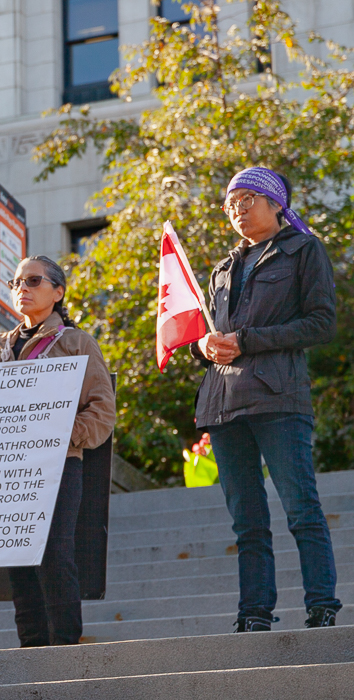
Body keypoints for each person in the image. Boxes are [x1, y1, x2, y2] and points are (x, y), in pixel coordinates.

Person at [193, 167, 340, 632]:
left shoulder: (304, 249)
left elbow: (322, 324)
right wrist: (204, 346)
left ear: (276, 203)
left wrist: (247, 340)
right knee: (247, 522)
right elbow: (215, 335)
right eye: (230, 202)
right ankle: (253, 612)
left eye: (247, 198)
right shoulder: (221, 269)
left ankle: (321, 604)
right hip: (222, 403)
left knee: (301, 507)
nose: (237, 208)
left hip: (279, 399)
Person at [0, 255, 115, 647]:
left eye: (33, 280)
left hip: (58, 466)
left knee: (55, 555)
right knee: (19, 563)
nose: (22, 288)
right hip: (6, 469)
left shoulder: (76, 342)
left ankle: (66, 652)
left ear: (58, 292)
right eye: (16, 282)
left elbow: (103, 411)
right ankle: (32, 655)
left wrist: (61, 438)